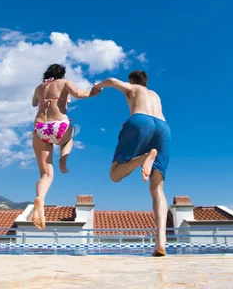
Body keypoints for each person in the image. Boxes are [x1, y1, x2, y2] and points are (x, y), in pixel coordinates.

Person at [91, 70, 171, 256]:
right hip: (164, 128)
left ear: (132, 80)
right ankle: (161, 242)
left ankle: (143, 158)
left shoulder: (133, 87)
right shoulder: (155, 95)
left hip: (140, 120)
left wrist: (97, 87)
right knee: (158, 189)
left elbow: (111, 80)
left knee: (115, 174)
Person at [30, 64, 95, 229]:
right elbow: (79, 93)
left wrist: (43, 96)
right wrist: (93, 92)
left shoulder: (39, 87)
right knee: (68, 138)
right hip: (59, 125)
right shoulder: (64, 82)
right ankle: (63, 161)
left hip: (40, 129)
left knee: (45, 174)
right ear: (62, 74)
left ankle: (40, 198)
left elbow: (33, 103)